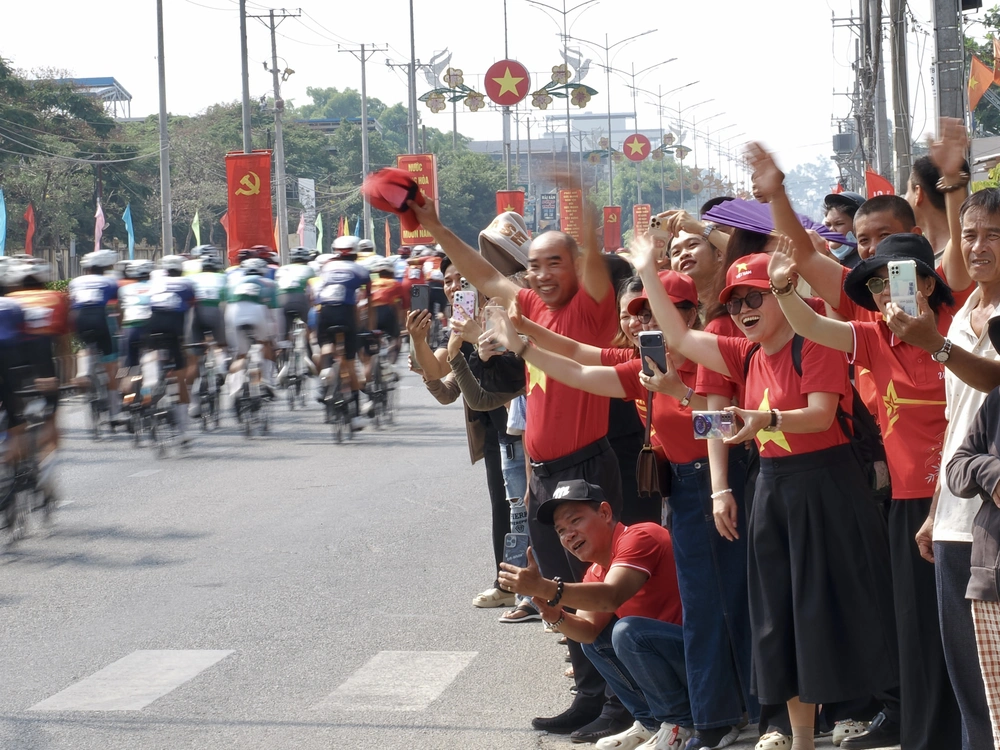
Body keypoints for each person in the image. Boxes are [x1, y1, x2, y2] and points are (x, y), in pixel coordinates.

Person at [631, 237, 898, 750]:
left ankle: (881, 713)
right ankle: (799, 737)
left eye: (755, 297)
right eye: (735, 303)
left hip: (827, 488)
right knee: (779, 620)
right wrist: (646, 268)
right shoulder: (743, 353)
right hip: (773, 491)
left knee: (837, 611)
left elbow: (819, 415)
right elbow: (680, 340)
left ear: (785, 294)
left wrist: (766, 419)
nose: (744, 310)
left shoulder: (814, 341)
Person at [489, 270, 754, 749]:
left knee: (725, 603)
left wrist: (680, 397)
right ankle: (693, 715)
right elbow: (578, 361)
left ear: (689, 314)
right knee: (701, 608)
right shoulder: (644, 365)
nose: (641, 322)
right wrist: (523, 340)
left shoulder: (709, 352)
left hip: (722, 484)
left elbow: (724, 425)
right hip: (682, 490)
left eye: (654, 311)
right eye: (635, 314)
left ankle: (728, 715)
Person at [407, 194, 627, 741]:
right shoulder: (527, 304)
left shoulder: (590, 309)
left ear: (578, 268)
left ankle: (623, 700)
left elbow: (596, 261)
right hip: (543, 471)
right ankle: (588, 691)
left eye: (557, 262)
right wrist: (433, 222)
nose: (544, 274)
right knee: (554, 589)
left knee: (594, 588)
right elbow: (483, 273)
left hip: (586, 469)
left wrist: (579, 194)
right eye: (535, 265)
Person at [766, 232, 963, 750]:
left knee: (970, 627)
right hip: (907, 504)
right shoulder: (873, 335)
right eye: (875, 283)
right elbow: (812, 326)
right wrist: (785, 289)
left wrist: (951, 190)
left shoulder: (959, 324)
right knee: (918, 632)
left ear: (927, 281)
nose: (883, 291)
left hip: (966, 499)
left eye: (895, 277)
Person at [498, 479, 694, 750]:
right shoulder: (596, 570)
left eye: (575, 521)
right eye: (561, 530)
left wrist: (546, 587)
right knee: (598, 639)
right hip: (675, 663)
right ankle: (651, 723)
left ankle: (680, 724)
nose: (568, 535)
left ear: (604, 513)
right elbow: (588, 630)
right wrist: (555, 615)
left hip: (702, 660)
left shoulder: (640, 536)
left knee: (627, 633)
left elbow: (611, 595)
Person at [407, 257, 520, 612]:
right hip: (491, 429)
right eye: (447, 282)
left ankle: (527, 586)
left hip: (519, 426)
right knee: (502, 507)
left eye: (461, 279)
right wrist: (417, 340)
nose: (454, 286)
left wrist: (473, 338)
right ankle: (507, 583)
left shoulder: (500, 317)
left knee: (522, 508)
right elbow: (440, 372)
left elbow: (487, 385)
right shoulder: (458, 327)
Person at [944, 312, 1000, 750]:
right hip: (991, 579)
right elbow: (957, 469)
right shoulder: (996, 401)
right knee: (996, 720)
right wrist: (992, 471)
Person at [315, 237, 371, 428]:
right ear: (356, 252)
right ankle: (355, 416)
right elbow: (367, 302)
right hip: (346, 313)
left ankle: (326, 372)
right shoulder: (361, 270)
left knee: (325, 345)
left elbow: (316, 297)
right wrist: (366, 327)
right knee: (349, 364)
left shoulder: (326, 268)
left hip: (325, 311)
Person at [147, 255, 197, 445]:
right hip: (175, 328)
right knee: (180, 377)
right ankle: (183, 431)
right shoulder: (186, 283)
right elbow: (191, 314)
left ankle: (146, 396)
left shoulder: (155, 281)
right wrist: (187, 341)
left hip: (152, 326)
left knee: (149, 359)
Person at [70, 249, 121, 413]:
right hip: (100, 319)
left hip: (79, 319)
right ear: (106, 267)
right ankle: (115, 413)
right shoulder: (111, 282)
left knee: (84, 347)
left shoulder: (75, 282)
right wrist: (120, 329)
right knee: (111, 364)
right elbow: (117, 308)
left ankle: (83, 371)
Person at [821, 191, 865, 268]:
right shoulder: (825, 260)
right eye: (828, 225)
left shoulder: (867, 264)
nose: (831, 230)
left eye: (839, 224)